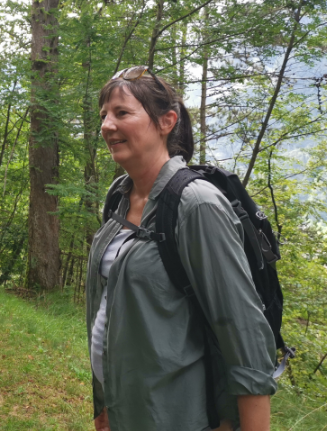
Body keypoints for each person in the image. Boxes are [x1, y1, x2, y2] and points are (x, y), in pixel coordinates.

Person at [86, 66, 277, 431]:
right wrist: (106, 403)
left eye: (122, 113)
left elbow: (243, 332)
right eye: (104, 116)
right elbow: (112, 309)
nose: (107, 125)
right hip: (126, 411)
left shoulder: (196, 204)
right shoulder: (119, 196)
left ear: (166, 121)